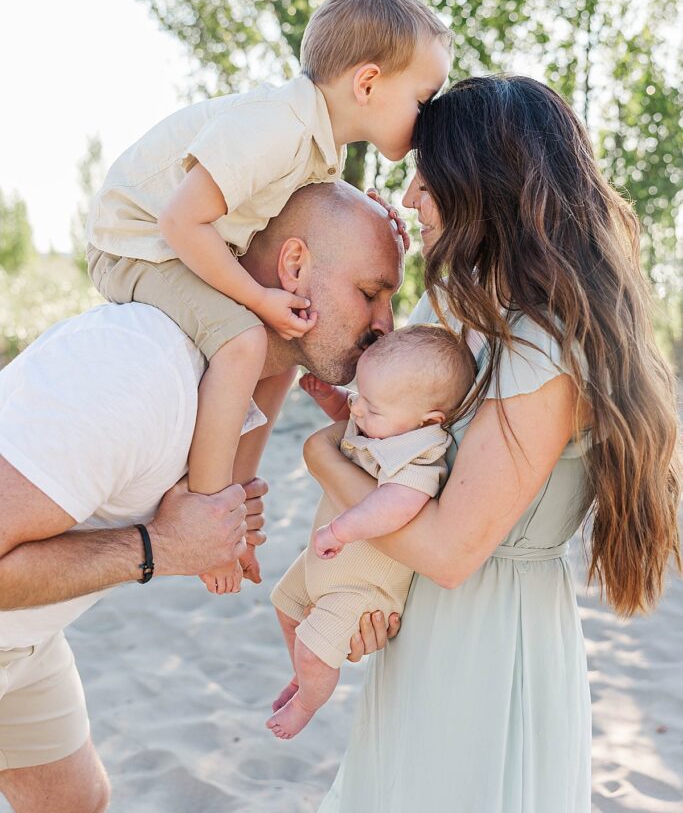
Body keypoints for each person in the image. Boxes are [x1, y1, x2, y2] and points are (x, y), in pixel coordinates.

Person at [305, 77, 681, 813]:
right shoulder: (457, 308)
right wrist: (369, 592)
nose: (410, 196)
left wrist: (319, 454)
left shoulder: (542, 343)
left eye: (426, 175)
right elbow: (406, 472)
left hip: (491, 642)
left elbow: (449, 550)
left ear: (480, 185)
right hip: (426, 627)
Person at [0, 182, 404, 813]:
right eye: (371, 292)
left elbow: (277, 371)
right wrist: (156, 548)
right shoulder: (136, 371)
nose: (386, 324)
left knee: (74, 802)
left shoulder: (235, 374)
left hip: (24, 640)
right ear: (294, 267)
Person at [86, 0, 451, 595]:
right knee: (246, 341)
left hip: (176, 241)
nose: (427, 121)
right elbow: (179, 219)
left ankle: (240, 504)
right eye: (423, 97)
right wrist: (257, 301)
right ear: (367, 84)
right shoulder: (274, 124)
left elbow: (312, 218)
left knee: (289, 337)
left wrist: (376, 216)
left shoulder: (319, 147)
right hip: (134, 242)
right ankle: (208, 520)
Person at [267, 324, 476, 739]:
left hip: (362, 586)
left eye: (371, 407)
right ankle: (303, 676)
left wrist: (342, 530)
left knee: (314, 649)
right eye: (359, 394)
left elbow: (393, 505)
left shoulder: (421, 457)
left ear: (428, 420)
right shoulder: (388, 422)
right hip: (328, 562)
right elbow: (353, 415)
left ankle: (309, 700)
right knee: (285, 605)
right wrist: (333, 400)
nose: (358, 410)